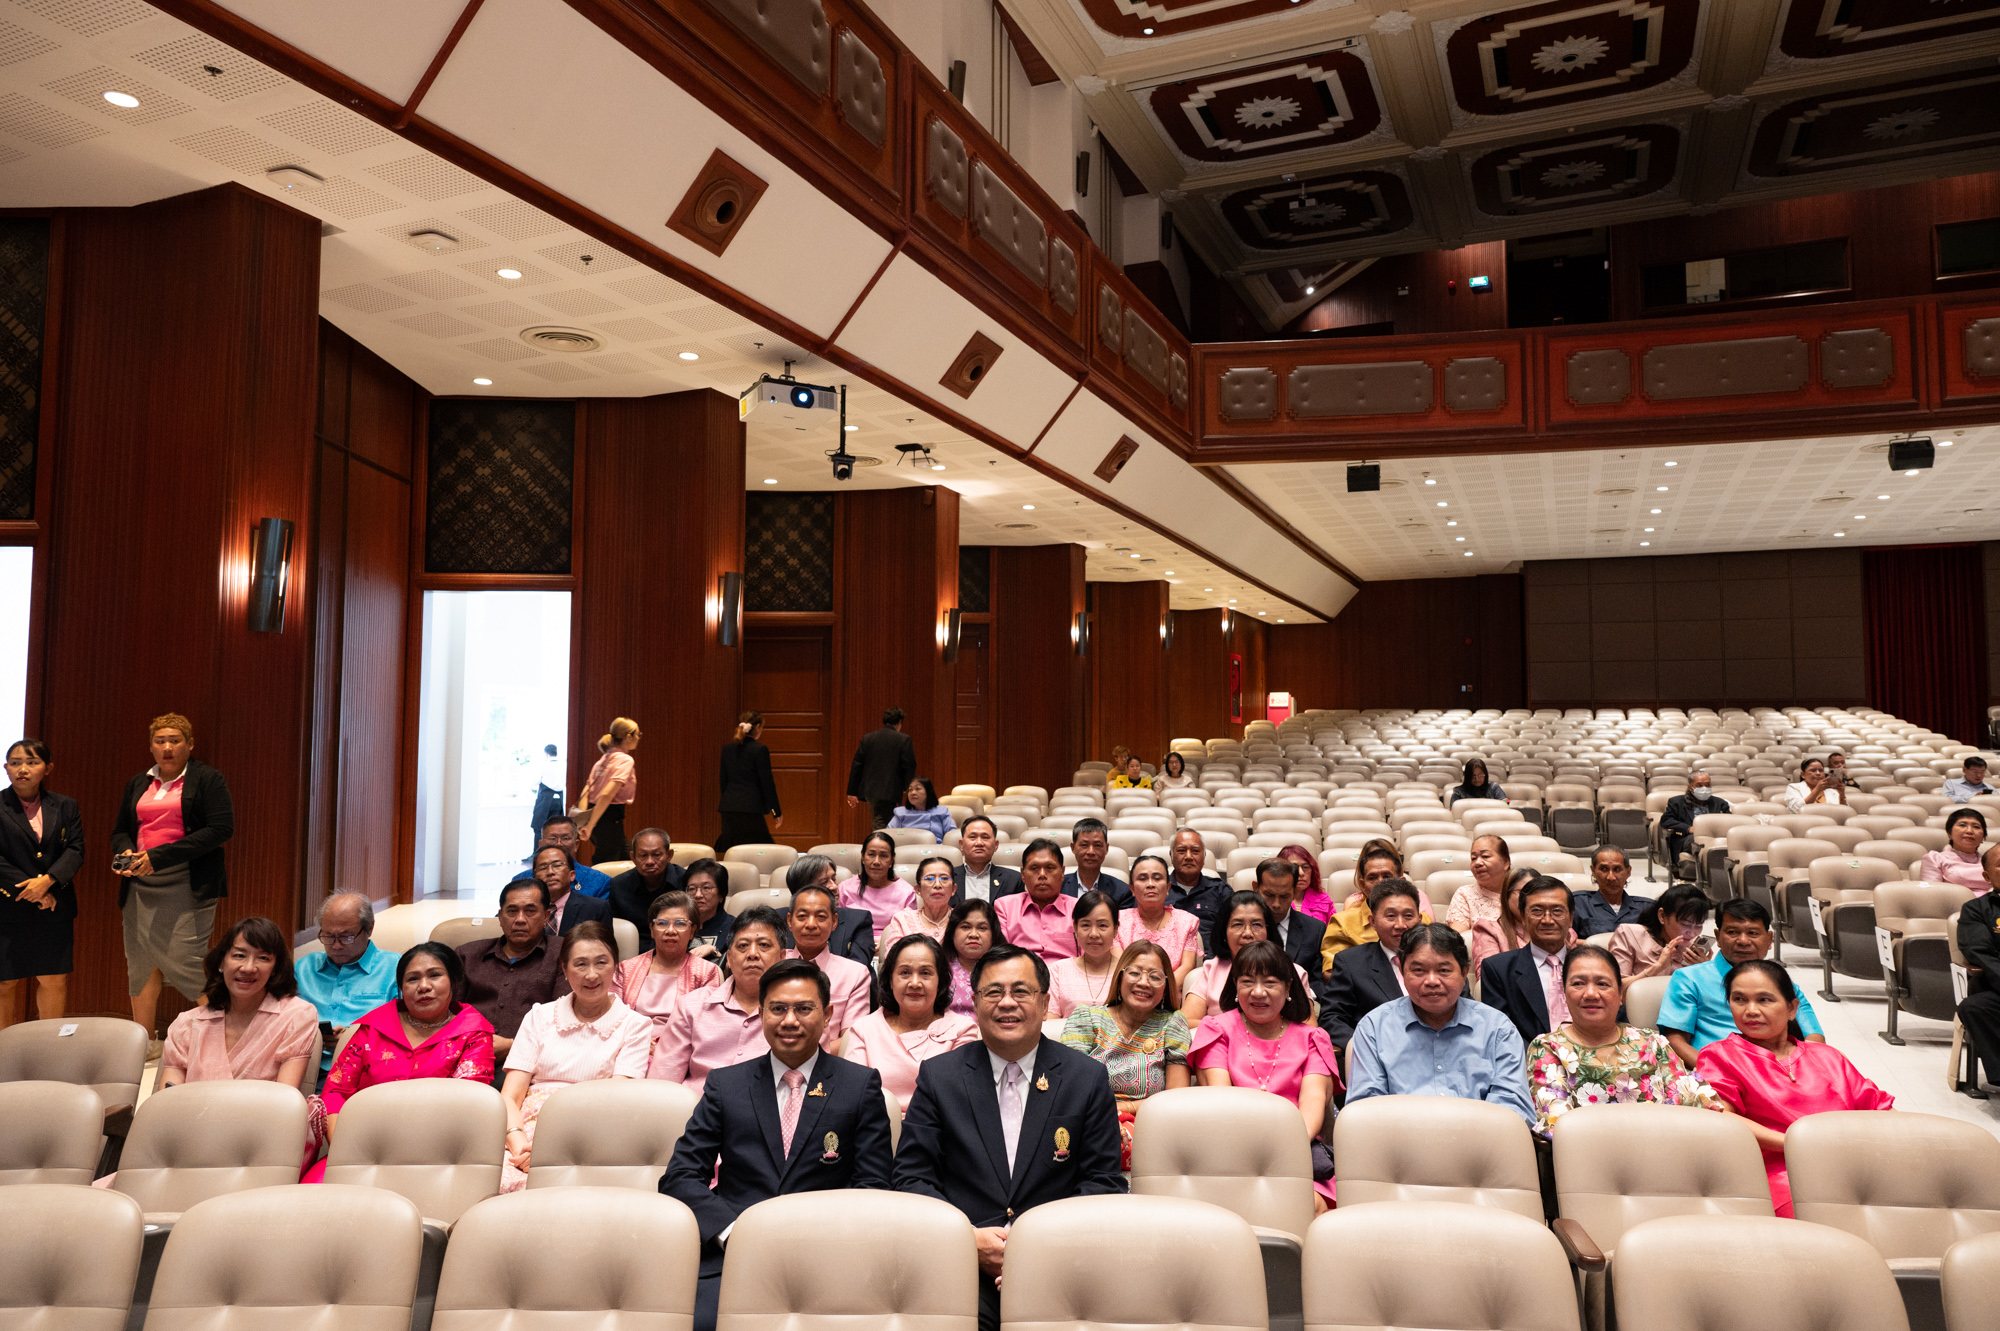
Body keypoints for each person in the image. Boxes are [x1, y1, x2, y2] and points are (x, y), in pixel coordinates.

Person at [892, 943, 1125, 1331]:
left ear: (1045, 1000)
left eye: (1021, 991)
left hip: (1062, 1263)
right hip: (959, 1264)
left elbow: (1103, 1181)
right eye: (993, 992)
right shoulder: (939, 1077)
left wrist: (1035, 1246)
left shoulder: (1086, 1077)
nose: (1007, 1003)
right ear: (976, 1002)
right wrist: (967, 1240)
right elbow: (911, 1178)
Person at [663, 957, 896, 1331]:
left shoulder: (860, 1086)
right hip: (734, 1253)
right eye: (778, 1009)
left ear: (827, 1014)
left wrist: (817, 1238)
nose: (790, 1021)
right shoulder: (727, 1085)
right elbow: (680, 1176)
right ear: (761, 1012)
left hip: (829, 1255)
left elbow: (873, 1186)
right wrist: (732, 1231)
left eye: (804, 1009)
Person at [1696, 959, 1893, 1216]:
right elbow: (1722, 1117)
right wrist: (1799, 1145)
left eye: (1764, 1000)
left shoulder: (1827, 1056)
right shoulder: (1720, 1055)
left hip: (1851, 1165)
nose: (1751, 1010)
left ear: (1792, 1009)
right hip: (1779, 1176)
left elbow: (1883, 1112)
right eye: (1739, 999)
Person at [307, 942, 495, 1182]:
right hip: (362, 1146)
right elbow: (336, 1093)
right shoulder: (373, 1029)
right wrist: (347, 1148)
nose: (424, 987)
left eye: (435, 975)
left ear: (454, 981)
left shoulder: (473, 1034)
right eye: (412, 979)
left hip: (436, 1156)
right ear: (401, 988)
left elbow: (464, 1106)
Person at [112, 713, 234, 1052]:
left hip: (187, 882)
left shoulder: (207, 779)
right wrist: (124, 851)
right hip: (140, 882)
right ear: (151, 746)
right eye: (160, 741)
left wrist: (160, 857)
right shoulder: (139, 782)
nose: (167, 747)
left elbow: (221, 829)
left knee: (187, 959)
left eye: (175, 740)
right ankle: (145, 1042)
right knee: (141, 961)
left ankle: (221, 1039)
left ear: (190, 744)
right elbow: (121, 829)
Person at [500, 920, 653, 1190]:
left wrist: (550, 1151)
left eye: (601, 963)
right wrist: (519, 1144)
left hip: (593, 1133)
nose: (591, 975)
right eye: (580, 964)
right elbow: (510, 1097)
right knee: (496, 1184)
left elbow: (615, 1102)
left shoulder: (635, 1025)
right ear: (564, 969)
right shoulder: (539, 1016)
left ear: (616, 966)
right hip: (524, 1135)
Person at [1189, 939, 1338, 1209]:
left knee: (1309, 1204)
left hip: (1295, 1153)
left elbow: (1312, 1109)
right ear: (1235, 985)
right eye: (1247, 982)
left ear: (1288, 987)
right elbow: (1221, 1104)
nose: (1258, 992)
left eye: (1270, 983)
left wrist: (1275, 1154)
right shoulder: (1215, 1030)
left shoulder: (1313, 1038)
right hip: (1229, 1150)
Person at [1346, 923, 1534, 1127]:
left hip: (1479, 1148)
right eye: (1419, 970)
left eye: (1444, 970)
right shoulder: (1375, 1028)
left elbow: (1513, 1106)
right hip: (1401, 1149)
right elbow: (1365, 1109)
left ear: (1464, 973)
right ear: (1401, 971)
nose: (1432, 981)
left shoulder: (1498, 1029)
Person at [1525, 945, 1720, 1139]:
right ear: (1565, 994)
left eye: (1602, 984)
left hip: (1664, 1152)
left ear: (1620, 995)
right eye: (1578, 984)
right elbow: (1558, 1127)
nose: (1591, 993)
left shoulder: (1652, 1043)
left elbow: (1696, 1102)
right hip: (1587, 1161)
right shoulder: (1547, 1049)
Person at [1062, 940, 1191, 1169]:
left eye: (1155, 976)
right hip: (1090, 1123)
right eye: (1134, 973)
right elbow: (1069, 1087)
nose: (1144, 982)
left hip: (1151, 1129)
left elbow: (1176, 1101)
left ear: (1165, 986)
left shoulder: (1173, 1023)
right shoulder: (1088, 1018)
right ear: (1120, 977)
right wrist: (1106, 1117)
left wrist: (1124, 1109)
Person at [1657, 898, 1824, 1070]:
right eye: (1732, 932)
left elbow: (1814, 1038)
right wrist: (1717, 1073)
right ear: (1718, 937)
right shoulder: (1689, 978)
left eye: (1753, 933)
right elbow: (1675, 1040)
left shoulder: (1782, 983)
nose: (1743, 940)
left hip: (1778, 1073)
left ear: (1769, 939)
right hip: (1718, 1074)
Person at [159, 915, 317, 1092]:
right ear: (221, 962)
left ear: (275, 968)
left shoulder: (297, 1016)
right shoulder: (187, 1024)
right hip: (192, 1118)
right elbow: (168, 1097)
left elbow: (285, 1099)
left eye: (263, 958)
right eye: (239, 955)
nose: (248, 968)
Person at [650, 905, 787, 1093]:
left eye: (763, 945)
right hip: (698, 1113)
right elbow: (662, 1084)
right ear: (729, 958)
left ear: (782, 957)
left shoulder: (797, 1013)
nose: (752, 954)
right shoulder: (692, 1006)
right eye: (743, 946)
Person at [843, 935, 980, 1111]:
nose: (915, 983)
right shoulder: (863, 1030)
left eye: (925, 973)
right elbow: (854, 1099)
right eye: (905, 973)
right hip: (875, 1131)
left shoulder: (963, 1029)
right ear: (891, 980)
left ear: (940, 981)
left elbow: (958, 1100)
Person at [0, 738, 82, 1025]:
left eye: (32, 762)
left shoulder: (65, 805)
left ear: (48, 768)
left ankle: (48, 1049)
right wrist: (30, 889)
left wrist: (47, 883)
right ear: (6, 768)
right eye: (16, 763)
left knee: (54, 979)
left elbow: (75, 850)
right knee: (4, 983)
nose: (23, 769)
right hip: (7, 907)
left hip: (54, 904)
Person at [456, 878, 569, 1075]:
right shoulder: (467, 955)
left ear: (546, 916)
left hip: (533, 1064)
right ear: (500, 917)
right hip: (463, 1058)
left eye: (530, 911)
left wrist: (512, 1045)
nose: (520, 919)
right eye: (512, 911)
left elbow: (567, 1021)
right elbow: (446, 1015)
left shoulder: (564, 954)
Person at [292, 893, 400, 1085]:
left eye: (346, 937)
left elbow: (406, 1030)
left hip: (368, 1073)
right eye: (327, 936)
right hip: (305, 1069)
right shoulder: (304, 968)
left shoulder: (395, 969)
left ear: (370, 928)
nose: (336, 945)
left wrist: (354, 1039)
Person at [1322, 879, 1423, 1060]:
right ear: (1373, 921)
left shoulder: (1443, 961)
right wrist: (1365, 1047)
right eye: (1390, 916)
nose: (1400, 925)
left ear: (1420, 919)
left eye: (1408, 916)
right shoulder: (1351, 963)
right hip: (1380, 1058)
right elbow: (1332, 1018)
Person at [1480, 877, 1579, 1047]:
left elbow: (1613, 1020)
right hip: (1527, 1063)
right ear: (1523, 918)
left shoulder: (1594, 965)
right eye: (1537, 911)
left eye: (1557, 911)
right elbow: (1500, 1032)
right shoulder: (1498, 969)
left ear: (1570, 919)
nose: (1547, 920)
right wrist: (1543, 1061)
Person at [1183, 891, 1306, 1025]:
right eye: (1238, 924)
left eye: (1257, 925)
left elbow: (1308, 1028)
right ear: (1224, 931)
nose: (1248, 933)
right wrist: (1235, 1031)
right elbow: (1185, 1022)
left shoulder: (1294, 971)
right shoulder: (1211, 969)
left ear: (1268, 931)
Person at [613, 889, 722, 1026]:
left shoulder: (707, 972)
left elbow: (706, 1024)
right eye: (662, 923)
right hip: (631, 1042)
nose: (670, 931)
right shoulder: (625, 969)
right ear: (652, 930)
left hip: (683, 1044)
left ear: (692, 931)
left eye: (680, 923)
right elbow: (613, 1018)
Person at [786, 881, 872, 1045]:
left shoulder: (855, 974)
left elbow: (850, 1040)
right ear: (790, 921)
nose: (811, 924)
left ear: (834, 922)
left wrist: (803, 1056)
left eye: (821, 917)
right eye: (802, 916)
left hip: (827, 1063)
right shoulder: (772, 964)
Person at [1322, 842, 1436, 961]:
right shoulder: (1343, 923)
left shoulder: (1422, 920)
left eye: (1387, 876)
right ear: (1362, 885)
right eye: (1372, 878)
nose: (1380, 883)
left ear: (1401, 881)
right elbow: (1334, 971)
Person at [1111, 828, 1224, 931]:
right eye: (1181, 851)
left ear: (1204, 856)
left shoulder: (1220, 890)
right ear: (1171, 856)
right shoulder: (1156, 888)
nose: (1188, 856)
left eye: (1195, 851)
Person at [1954, 844, 2000, 1097]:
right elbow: (1980, 953)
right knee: (1975, 1007)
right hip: (1997, 989)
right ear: (1987, 876)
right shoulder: (1976, 910)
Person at [1609, 884, 1714, 992]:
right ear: (1662, 916)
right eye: (1685, 924)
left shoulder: (1691, 949)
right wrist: (1658, 967)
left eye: (1698, 926)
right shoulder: (1628, 934)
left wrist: (1703, 971)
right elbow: (1616, 990)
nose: (1692, 933)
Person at [1117, 854, 1201, 986]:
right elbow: (1119, 967)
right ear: (1132, 889)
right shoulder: (1117, 921)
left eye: (1157, 878)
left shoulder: (1186, 922)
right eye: (1143, 879)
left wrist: (1159, 992)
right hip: (1127, 994)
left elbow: (1187, 967)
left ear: (1168, 887)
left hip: (1171, 997)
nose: (1150, 884)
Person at [995, 839, 1076, 961]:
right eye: (1034, 868)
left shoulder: (1078, 908)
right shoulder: (1005, 907)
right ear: (1022, 874)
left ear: (1062, 872)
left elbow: (1087, 958)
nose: (1042, 874)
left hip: (1068, 977)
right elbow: (1001, 956)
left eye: (1050, 867)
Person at [715, 711, 781, 858]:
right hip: (750, 809)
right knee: (762, 850)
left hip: (729, 807)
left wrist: (728, 802)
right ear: (757, 727)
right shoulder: (760, 750)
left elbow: (723, 781)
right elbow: (767, 783)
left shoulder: (727, 749)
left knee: (732, 850)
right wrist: (776, 811)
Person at [1256, 858, 1329, 985]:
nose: (1276, 904)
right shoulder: (1242, 928)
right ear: (1256, 888)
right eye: (1269, 895)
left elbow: (1318, 981)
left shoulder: (1315, 930)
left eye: (1284, 896)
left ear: (1295, 892)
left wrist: (1303, 996)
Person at [1047, 889, 1120, 1017]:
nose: (1093, 934)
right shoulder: (1058, 970)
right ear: (1075, 928)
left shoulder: (1127, 971)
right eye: (1085, 925)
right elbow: (1051, 1022)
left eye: (1102, 925)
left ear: (1115, 929)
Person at [578, 718, 641, 862]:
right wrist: (590, 824)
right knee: (606, 865)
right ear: (629, 737)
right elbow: (607, 794)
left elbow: (586, 791)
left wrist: (585, 822)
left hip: (599, 819)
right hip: (608, 818)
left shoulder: (603, 759)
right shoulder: (625, 760)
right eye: (637, 734)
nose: (639, 737)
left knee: (628, 857)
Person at [847, 707, 916, 830]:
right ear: (899, 722)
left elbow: (857, 765)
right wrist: (908, 788)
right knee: (882, 824)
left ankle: (879, 846)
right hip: (891, 789)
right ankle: (877, 847)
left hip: (871, 790)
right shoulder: (903, 739)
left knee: (880, 820)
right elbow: (909, 766)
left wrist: (852, 792)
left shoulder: (868, 738)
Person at [606, 828, 684, 938]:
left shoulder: (685, 881)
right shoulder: (619, 885)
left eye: (656, 855)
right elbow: (613, 930)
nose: (649, 862)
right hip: (634, 950)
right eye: (643, 855)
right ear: (633, 857)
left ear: (669, 855)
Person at [838, 831, 916, 935]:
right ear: (863, 857)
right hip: (853, 946)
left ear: (892, 859)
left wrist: (888, 942)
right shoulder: (845, 888)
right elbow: (838, 927)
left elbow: (909, 931)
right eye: (871, 854)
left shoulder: (906, 892)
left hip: (893, 945)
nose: (876, 861)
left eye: (883, 856)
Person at [1571, 846, 1655, 938]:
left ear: (1628, 872)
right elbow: (1565, 941)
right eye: (1603, 869)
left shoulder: (1647, 908)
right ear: (1593, 871)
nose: (1611, 877)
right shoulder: (1578, 903)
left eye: (1617, 869)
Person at [1467, 866, 1538, 972]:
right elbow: (1489, 978)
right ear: (1506, 896)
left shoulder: (1562, 931)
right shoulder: (1488, 930)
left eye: (1536, 892)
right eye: (1523, 892)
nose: (1530, 898)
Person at [879, 855, 956, 953]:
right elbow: (894, 959)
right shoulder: (902, 920)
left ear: (953, 889)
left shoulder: (962, 920)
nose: (937, 885)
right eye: (930, 879)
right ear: (918, 889)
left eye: (944, 879)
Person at [528, 847, 613, 935]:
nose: (550, 872)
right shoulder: (526, 910)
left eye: (557, 866)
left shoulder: (596, 909)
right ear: (535, 878)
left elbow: (603, 947)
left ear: (572, 875)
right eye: (543, 868)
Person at [943, 898, 1000, 1015]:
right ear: (952, 932)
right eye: (965, 927)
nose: (973, 935)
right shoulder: (939, 969)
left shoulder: (1005, 969)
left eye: (982, 928)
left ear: (993, 934)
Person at [1659, 773, 1728, 868]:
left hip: (1716, 838)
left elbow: (1730, 820)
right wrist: (1688, 828)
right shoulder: (1676, 802)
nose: (1704, 788)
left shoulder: (1720, 803)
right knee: (1697, 840)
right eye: (1699, 785)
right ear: (1690, 787)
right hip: (1688, 838)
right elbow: (1666, 821)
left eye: (1707, 785)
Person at [1446, 834, 1511, 933]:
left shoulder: (1522, 893)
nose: (1478, 863)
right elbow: (1459, 941)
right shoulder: (1464, 895)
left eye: (1485, 856)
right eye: (1473, 858)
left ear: (1506, 862)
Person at [952, 816, 1022, 905]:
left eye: (985, 837)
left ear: (996, 845)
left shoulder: (1014, 879)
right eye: (973, 837)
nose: (979, 843)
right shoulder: (947, 878)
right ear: (961, 845)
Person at [1920, 808, 1990, 893]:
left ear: (1983, 836)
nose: (1969, 831)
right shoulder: (1935, 858)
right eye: (1962, 825)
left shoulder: (1990, 861)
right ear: (1949, 833)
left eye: (1976, 827)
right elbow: (1932, 894)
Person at [537, 817, 611, 897]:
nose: (559, 844)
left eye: (565, 838)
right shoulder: (525, 879)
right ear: (541, 845)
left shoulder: (600, 882)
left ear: (576, 845)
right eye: (553, 839)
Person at [684, 859, 735, 961]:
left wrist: (714, 951)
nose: (698, 895)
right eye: (692, 888)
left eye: (706, 888)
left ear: (721, 894)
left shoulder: (735, 927)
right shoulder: (677, 924)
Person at [1279, 843, 1336, 923]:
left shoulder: (1323, 900)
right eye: (1294, 868)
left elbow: (1333, 932)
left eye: (1305, 867)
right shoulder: (1274, 901)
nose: (1301, 873)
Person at [890, 777, 956, 842]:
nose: (913, 793)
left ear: (928, 792)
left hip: (935, 849)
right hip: (907, 849)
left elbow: (952, 835)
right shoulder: (901, 813)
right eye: (910, 790)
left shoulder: (942, 812)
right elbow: (889, 833)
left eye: (917, 789)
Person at [1062, 818, 1112, 898]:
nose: (1091, 852)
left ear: (1106, 848)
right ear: (1073, 847)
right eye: (1084, 845)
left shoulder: (1122, 891)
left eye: (1097, 845)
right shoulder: (1058, 887)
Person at [530, 742, 564, 849]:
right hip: (559, 801)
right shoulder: (563, 766)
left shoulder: (544, 765)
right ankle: (555, 852)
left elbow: (534, 783)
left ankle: (538, 853)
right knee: (556, 829)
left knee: (539, 827)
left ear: (546, 754)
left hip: (545, 801)